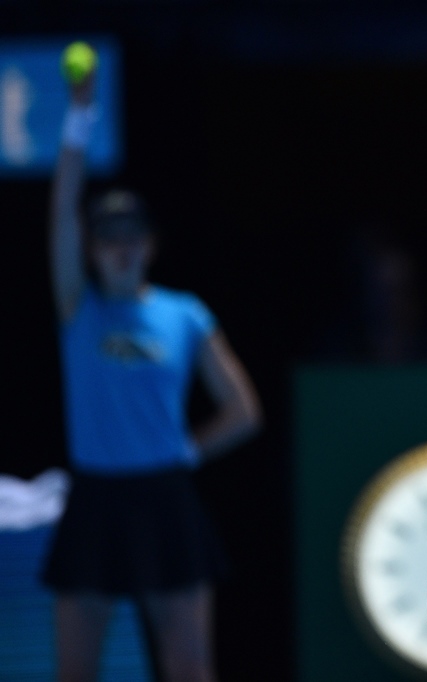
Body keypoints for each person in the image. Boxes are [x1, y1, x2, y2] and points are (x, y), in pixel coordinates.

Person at [41, 69, 263, 682]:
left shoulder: (184, 313)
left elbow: (244, 411)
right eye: (108, 238)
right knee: (74, 674)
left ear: (149, 244)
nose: (120, 248)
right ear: (92, 248)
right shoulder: (77, 307)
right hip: (94, 499)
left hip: (165, 501)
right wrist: (77, 121)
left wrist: (184, 452)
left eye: (131, 237)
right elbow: (61, 212)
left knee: (190, 672)